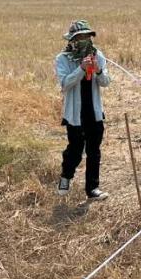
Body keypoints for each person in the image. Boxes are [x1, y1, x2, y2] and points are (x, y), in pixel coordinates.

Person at [54, 20, 111, 202]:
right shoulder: (62, 59)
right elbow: (65, 84)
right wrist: (81, 69)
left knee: (94, 151)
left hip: (94, 112)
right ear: (72, 40)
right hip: (74, 115)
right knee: (76, 150)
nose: (84, 40)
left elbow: (106, 82)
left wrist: (98, 70)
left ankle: (92, 188)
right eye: (79, 37)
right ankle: (66, 176)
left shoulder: (98, 55)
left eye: (87, 36)